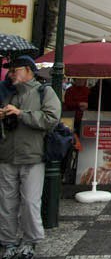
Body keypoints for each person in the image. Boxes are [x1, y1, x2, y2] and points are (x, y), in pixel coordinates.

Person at [0, 55, 60, 259]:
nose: (10, 74)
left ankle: (29, 240)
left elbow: (51, 119)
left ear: (27, 70)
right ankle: (7, 241)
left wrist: (21, 113)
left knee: (30, 202)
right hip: (6, 155)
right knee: (6, 202)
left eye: (14, 70)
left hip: (33, 156)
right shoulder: (6, 92)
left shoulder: (44, 92)